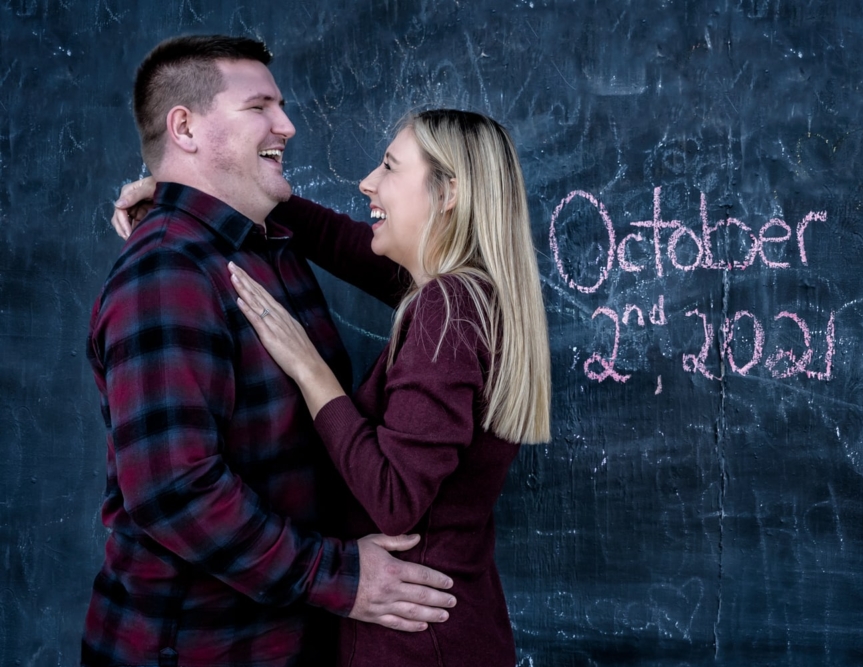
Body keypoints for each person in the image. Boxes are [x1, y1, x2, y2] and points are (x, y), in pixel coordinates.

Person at [115, 110, 552, 665]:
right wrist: (207, 185)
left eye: (391, 167)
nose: (368, 182)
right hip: (444, 624)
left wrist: (310, 368)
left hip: (414, 639)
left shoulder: (448, 308)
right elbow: (336, 240)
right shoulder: (476, 295)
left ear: (449, 194)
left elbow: (396, 500)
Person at [86, 35, 455, 667]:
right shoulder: (167, 272)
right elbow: (176, 493)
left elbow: (443, 271)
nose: (286, 123)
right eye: (260, 106)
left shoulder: (266, 246)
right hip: (200, 648)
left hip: (281, 638)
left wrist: (197, 189)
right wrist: (342, 577)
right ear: (186, 127)